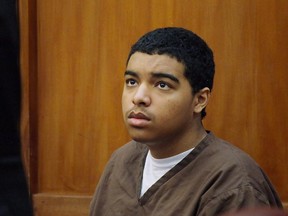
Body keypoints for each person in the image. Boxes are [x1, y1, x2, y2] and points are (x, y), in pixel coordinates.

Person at [90, 27, 282, 216]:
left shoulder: (233, 182)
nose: (138, 97)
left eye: (162, 85)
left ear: (200, 100)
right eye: (132, 81)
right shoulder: (121, 161)